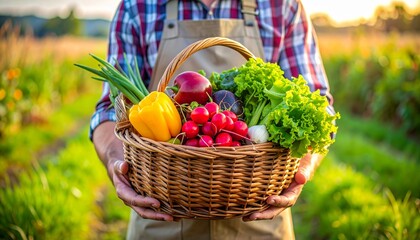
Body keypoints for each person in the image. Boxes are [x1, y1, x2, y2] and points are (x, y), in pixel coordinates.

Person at [90, 0, 335, 239]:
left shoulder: (282, 5)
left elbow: (318, 106)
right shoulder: (137, 6)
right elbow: (109, 111)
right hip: (161, 215)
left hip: (261, 219)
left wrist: (304, 166)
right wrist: (117, 162)